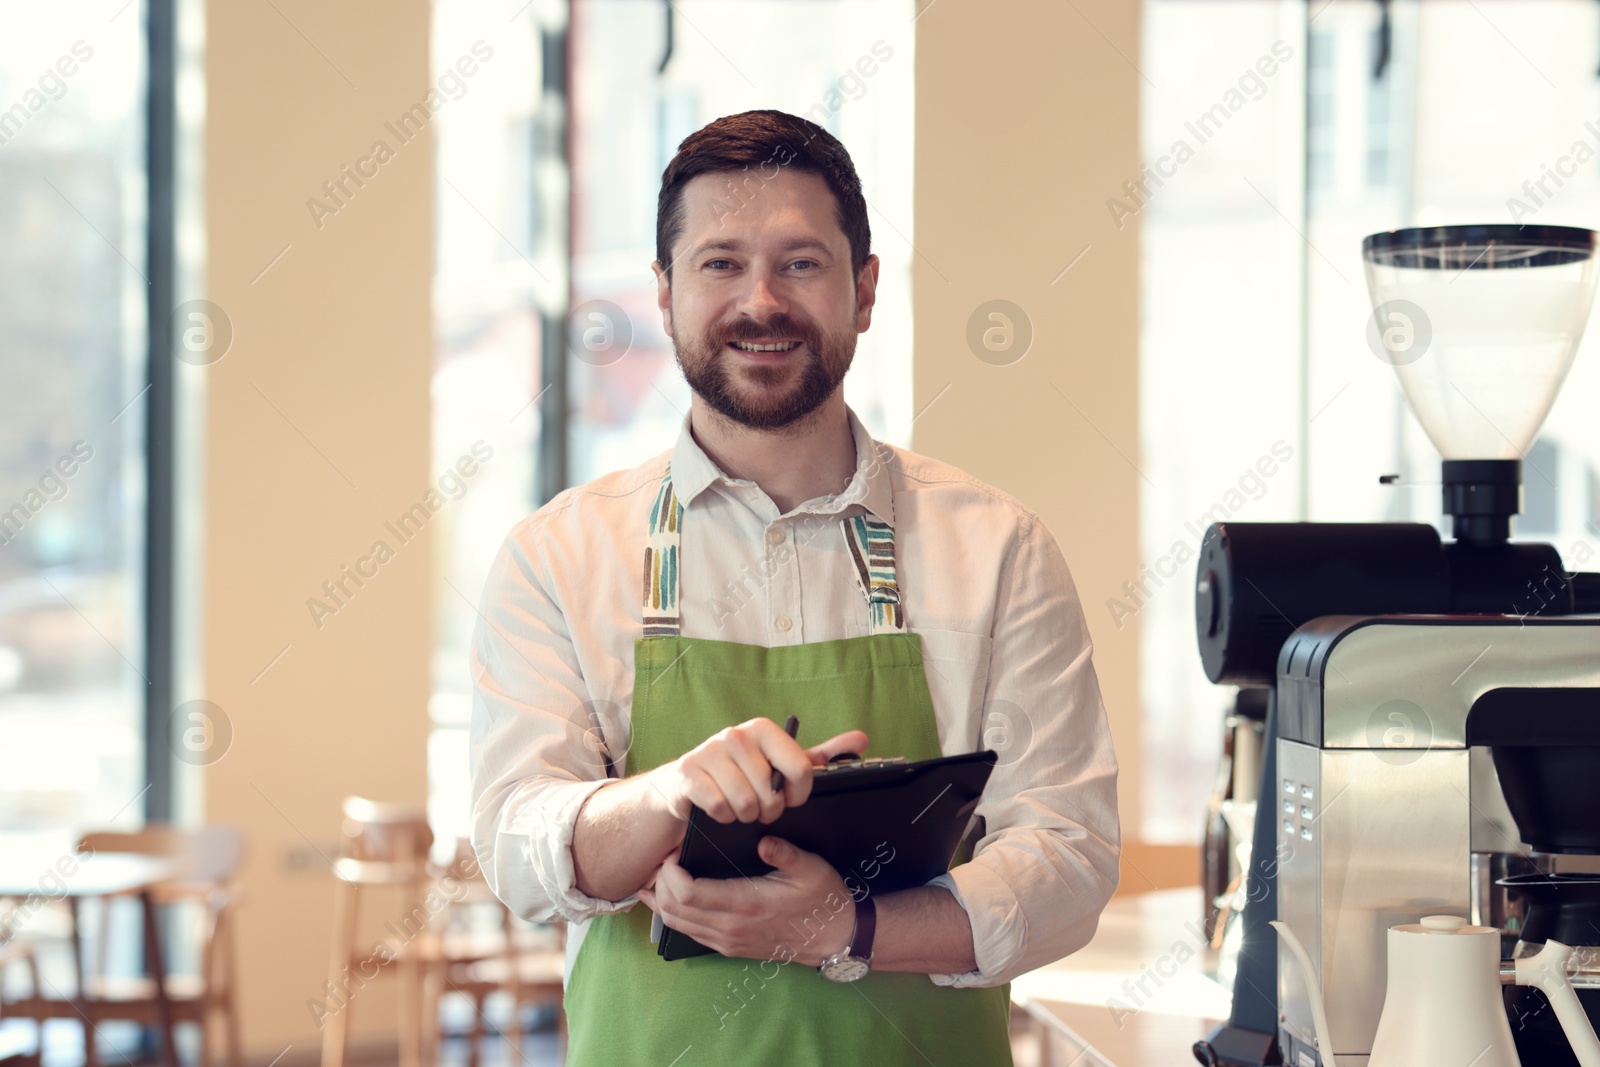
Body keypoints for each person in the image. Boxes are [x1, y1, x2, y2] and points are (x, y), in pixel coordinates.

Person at [469, 108, 1119, 1066]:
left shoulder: (999, 549)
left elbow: (1068, 855)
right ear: (664, 292)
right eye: (720, 263)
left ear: (864, 291)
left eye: (801, 263)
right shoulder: (558, 554)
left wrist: (843, 928)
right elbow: (519, 845)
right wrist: (665, 797)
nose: (760, 300)